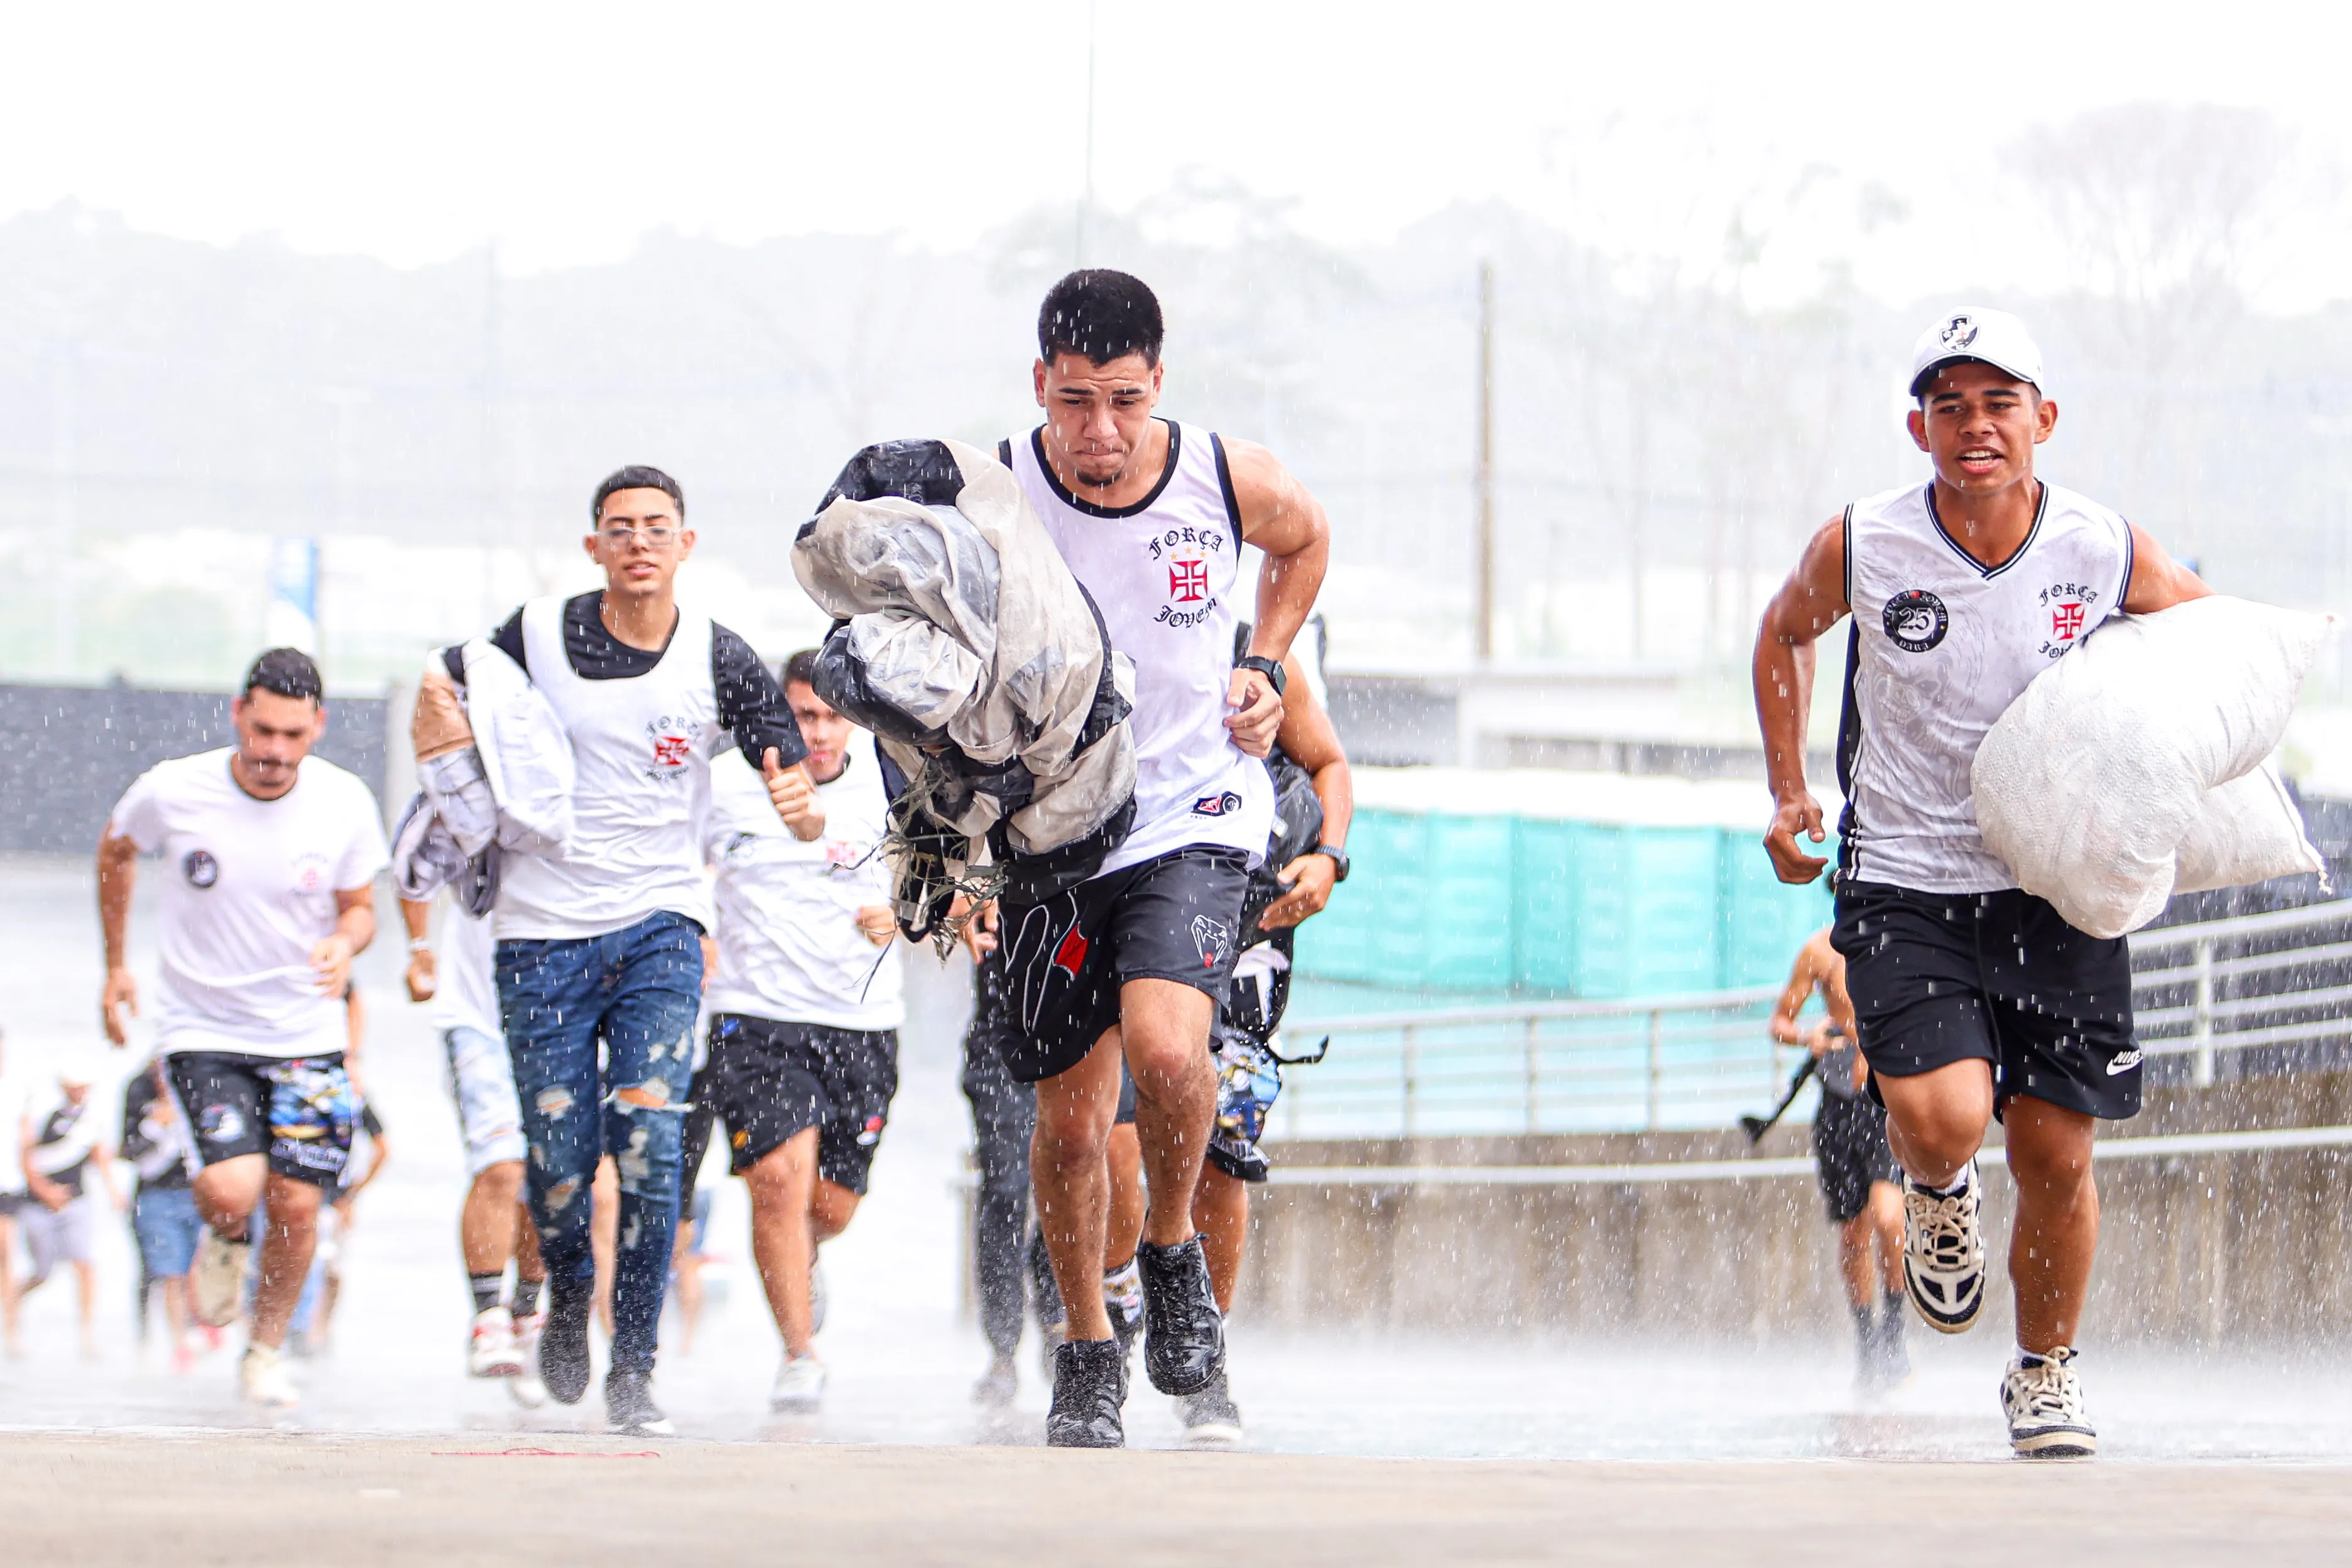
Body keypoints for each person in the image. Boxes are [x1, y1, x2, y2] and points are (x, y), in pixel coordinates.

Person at [1753, 307, 2211, 1457]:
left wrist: (2160, 781)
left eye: (1998, 403)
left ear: (2041, 420)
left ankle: (2043, 1372)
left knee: (2055, 1154)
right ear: (1916, 427)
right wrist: (1785, 791)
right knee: (1943, 1115)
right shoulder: (1863, 544)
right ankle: (1939, 1188)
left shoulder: (2100, 547)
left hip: (2057, 884)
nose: (1974, 427)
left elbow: (2204, 651)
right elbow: (1780, 633)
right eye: (1948, 406)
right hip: (1904, 876)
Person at [976, 269, 1331, 1447]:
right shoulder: (996, 489)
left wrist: (1267, 659)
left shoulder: (1226, 479)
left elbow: (1307, 537)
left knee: (1174, 1049)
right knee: (1071, 1126)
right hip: (1048, 834)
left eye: (1123, 401)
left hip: (1190, 812)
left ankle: (1170, 1249)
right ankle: (1084, 1347)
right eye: (1074, 402)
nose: (1099, 432)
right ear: (1039, 386)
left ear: (1157, 384)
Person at [445, 464, 817, 1436]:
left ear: (685, 545)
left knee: (653, 1154)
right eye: (621, 528)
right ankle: (569, 1297)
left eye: (658, 527)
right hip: (540, 939)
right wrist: (442, 744)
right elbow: (449, 680)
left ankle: (635, 1372)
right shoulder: (533, 634)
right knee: (561, 1165)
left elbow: (779, 739)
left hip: (660, 925)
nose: (640, 542)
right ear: (595, 547)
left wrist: (796, 794)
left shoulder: (716, 654)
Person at [98, 646, 389, 1409]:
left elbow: (362, 908)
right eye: (262, 731)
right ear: (237, 715)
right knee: (234, 1189)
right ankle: (224, 1236)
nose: (273, 753)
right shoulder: (174, 790)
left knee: (298, 1206)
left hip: (307, 1032)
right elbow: (117, 848)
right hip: (204, 1028)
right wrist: (116, 965)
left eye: (292, 736)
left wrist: (345, 941)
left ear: (318, 726)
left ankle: (263, 1351)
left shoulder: (345, 801)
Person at [677, 648, 901, 1415]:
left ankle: (801, 1261)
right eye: (804, 714)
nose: (819, 732)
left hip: (861, 1020)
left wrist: (906, 911)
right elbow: (676, 869)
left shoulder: (891, 776)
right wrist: (695, 932)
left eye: (833, 716)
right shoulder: (728, 784)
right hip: (757, 1016)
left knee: (828, 1206)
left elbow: (948, 869)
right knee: (777, 1183)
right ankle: (798, 1354)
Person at [400, 890, 550, 1404]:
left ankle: (526, 1314)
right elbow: (412, 865)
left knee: (551, 1173)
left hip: (566, 1017)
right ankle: (488, 1317)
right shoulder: (470, 808)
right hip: (477, 1015)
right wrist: (418, 946)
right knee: (502, 1166)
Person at [1769, 927, 1906, 1391]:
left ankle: (1895, 1328)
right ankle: (1867, 1343)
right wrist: (1810, 1036)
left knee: (1890, 1218)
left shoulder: (1899, 937)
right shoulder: (1820, 950)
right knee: (1853, 1233)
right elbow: (1780, 1023)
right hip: (1838, 1105)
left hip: (1885, 1098)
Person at [13, 1069, 124, 1359]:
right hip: (39, 1205)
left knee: (85, 1264)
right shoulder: (44, 1117)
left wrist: (113, 1191)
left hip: (77, 1203)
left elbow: (101, 1158)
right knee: (42, 1271)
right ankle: (11, 1313)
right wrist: (46, 1191)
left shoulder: (91, 1122)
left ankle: (87, 1335)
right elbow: (26, 1157)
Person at [122, 1058, 205, 1370]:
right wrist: (158, 1123)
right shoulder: (138, 1090)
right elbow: (127, 1150)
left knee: (196, 1269)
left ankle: (196, 1331)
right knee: (165, 1273)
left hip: (197, 1193)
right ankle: (169, 1343)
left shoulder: (201, 1084)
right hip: (154, 1196)